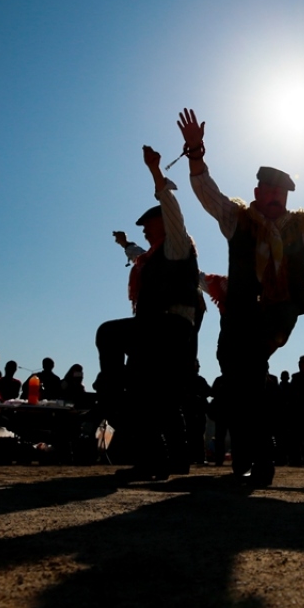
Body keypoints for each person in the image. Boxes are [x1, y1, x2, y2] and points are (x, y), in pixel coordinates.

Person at [183, 107, 304, 486]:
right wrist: (196, 154)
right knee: (236, 376)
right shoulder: (237, 218)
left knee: (251, 370)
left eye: (280, 193)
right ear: (257, 193)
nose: (274, 197)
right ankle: (243, 456)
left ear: (287, 197)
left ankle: (263, 461)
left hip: (277, 313)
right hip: (239, 313)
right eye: (268, 191)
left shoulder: (299, 227)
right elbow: (208, 194)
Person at [96, 143, 204, 481]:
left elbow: (171, 208)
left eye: (147, 224)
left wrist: (156, 172)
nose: (144, 229)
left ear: (163, 224)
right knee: (164, 397)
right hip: (168, 329)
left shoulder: (177, 242)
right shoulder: (158, 254)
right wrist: (124, 244)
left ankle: (113, 387)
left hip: (166, 325)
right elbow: (140, 253)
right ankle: (177, 460)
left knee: (111, 337)